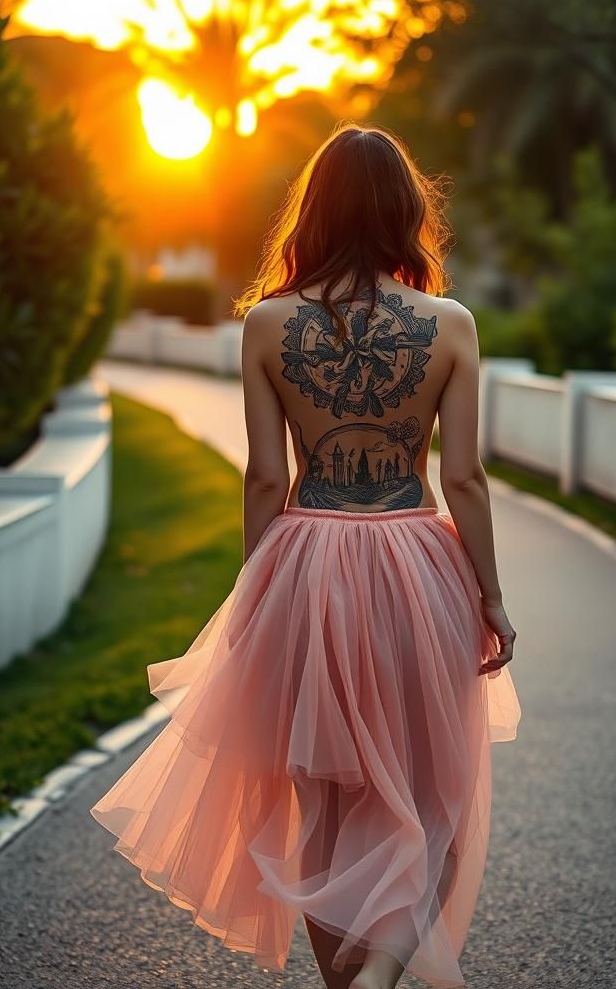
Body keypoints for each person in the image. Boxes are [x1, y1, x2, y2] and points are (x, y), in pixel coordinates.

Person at [89, 122, 522, 989]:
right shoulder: (450, 324)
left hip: (308, 565)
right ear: (406, 212)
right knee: (430, 793)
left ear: (312, 211)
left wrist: (257, 593)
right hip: (417, 564)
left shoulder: (266, 324)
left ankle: (342, 982)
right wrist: (492, 597)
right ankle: (383, 972)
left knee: (318, 801)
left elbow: (261, 479)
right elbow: (465, 479)